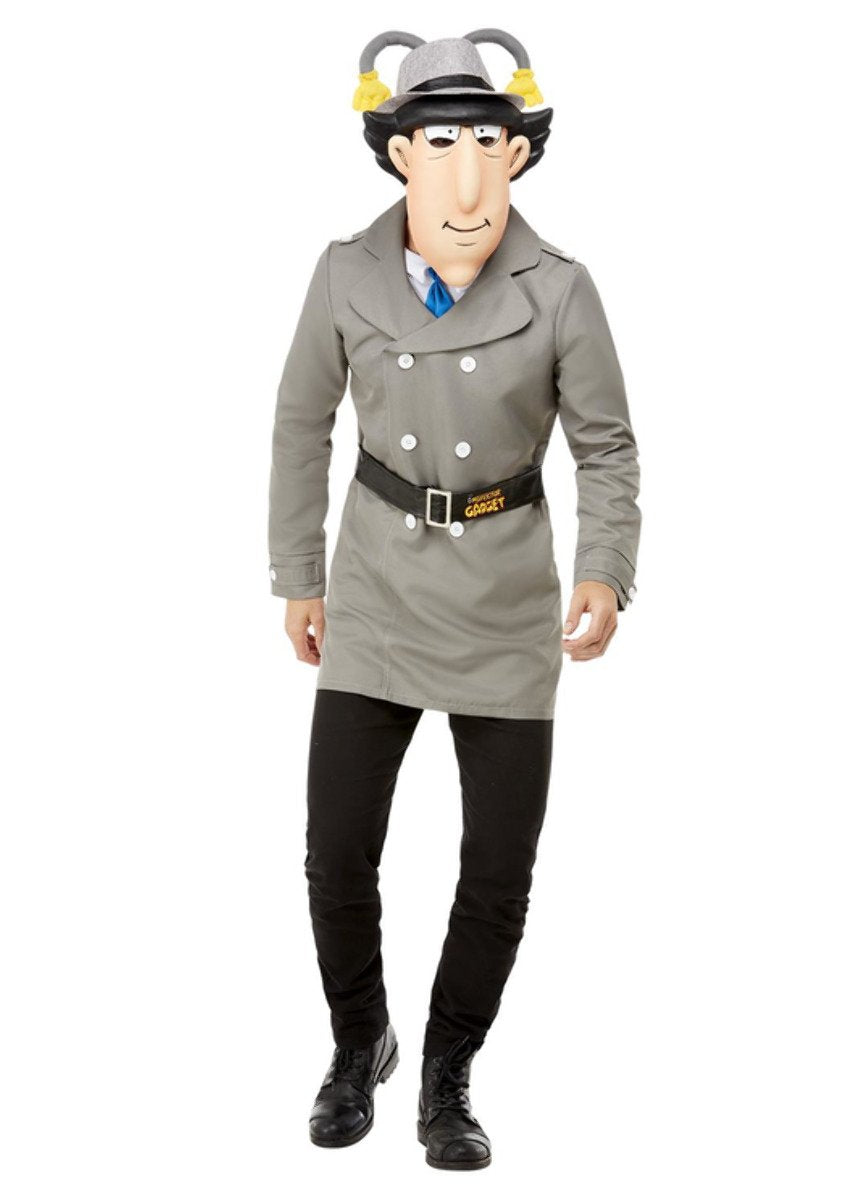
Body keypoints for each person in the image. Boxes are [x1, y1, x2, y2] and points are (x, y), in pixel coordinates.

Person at [268, 28, 641, 1170]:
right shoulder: (345, 271)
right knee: (337, 850)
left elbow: (607, 446)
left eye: (488, 139)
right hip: (376, 586)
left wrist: (605, 567)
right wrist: (299, 575)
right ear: (399, 154)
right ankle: (358, 1043)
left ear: (518, 153)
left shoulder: (561, 286)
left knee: (497, 869)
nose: (466, 173)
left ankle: (448, 1073)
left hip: (506, 597)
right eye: (439, 142)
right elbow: (300, 424)